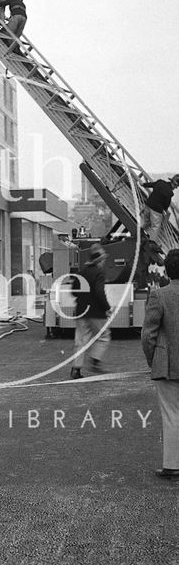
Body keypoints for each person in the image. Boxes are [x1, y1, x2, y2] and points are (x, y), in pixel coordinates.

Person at [141, 248, 179, 480]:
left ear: (167, 270)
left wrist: (152, 359)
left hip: (167, 365)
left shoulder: (159, 296)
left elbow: (148, 336)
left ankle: (173, 466)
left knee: (172, 414)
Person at [70, 243, 111, 380]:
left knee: (80, 341)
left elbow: (73, 291)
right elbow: (99, 292)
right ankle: (94, 360)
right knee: (103, 336)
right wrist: (107, 307)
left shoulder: (81, 272)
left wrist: (83, 299)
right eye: (103, 260)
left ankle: (76, 370)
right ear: (99, 261)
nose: (104, 262)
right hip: (96, 312)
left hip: (81, 311)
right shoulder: (99, 273)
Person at [142, 175, 179, 243]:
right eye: (176, 186)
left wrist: (143, 184)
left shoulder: (160, 182)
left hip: (148, 205)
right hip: (156, 210)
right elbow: (166, 204)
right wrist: (164, 210)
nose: (176, 188)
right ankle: (152, 243)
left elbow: (151, 184)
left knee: (146, 221)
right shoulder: (170, 193)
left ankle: (139, 233)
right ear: (174, 184)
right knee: (156, 227)